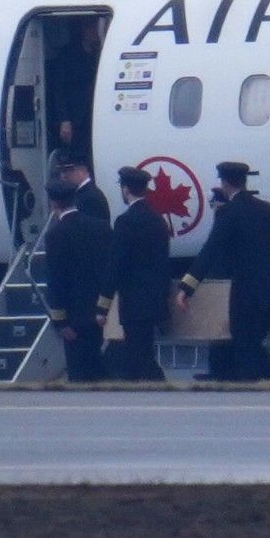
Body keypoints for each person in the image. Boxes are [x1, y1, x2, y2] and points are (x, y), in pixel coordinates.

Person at [178, 162, 270, 382]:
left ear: (225, 183)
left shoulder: (228, 213)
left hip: (248, 293)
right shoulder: (268, 209)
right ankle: (262, 379)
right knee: (249, 343)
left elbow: (210, 251)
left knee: (244, 342)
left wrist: (186, 287)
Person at [96, 166, 170, 382]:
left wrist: (103, 306)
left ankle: (160, 386)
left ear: (126, 189)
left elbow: (116, 265)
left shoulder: (125, 222)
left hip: (134, 300)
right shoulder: (159, 221)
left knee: (138, 355)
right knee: (143, 351)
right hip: (155, 298)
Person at [44, 178, 110, 382]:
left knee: (79, 374)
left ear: (54, 203)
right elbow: (108, 270)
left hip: (74, 317)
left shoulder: (55, 235)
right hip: (100, 312)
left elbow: (56, 280)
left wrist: (60, 321)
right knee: (98, 368)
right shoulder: (100, 228)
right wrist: (104, 308)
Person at [49, 16, 102, 158]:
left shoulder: (100, 53)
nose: (95, 32)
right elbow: (58, 90)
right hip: (75, 115)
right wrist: (64, 120)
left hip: (95, 112)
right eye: (91, 27)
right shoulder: (67, 55)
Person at [55, 151, 110, 224]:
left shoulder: (90, 197)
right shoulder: (83, 193)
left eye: (69, 170)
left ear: (82, 169)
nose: (64, 176)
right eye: (61, 171)